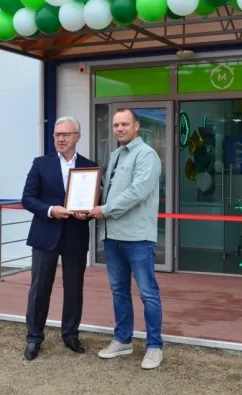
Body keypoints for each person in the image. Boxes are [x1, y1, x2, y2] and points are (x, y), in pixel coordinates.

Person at [88, 108, 164, 370]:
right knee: (119, 291)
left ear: (136, 126)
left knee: (148, 294)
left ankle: (154, 346)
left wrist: (105, 210)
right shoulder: (116, 155)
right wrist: (83, 198)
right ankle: (123, 340)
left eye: (124, 124)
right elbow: (108, 192)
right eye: (116, 125)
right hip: (112, 236)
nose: (119, 129)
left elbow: (137, 192)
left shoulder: (146, 155)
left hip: (138, 237)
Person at [21, 116, 97, 361]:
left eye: (66, 134)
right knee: (40, 288)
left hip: (75, 234)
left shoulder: (89, 166)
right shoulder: (40, 164)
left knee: (74, 289)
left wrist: (87, 213)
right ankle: (34, 338)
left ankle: (71, 335)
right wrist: (51, 210)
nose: (60, 139)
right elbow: (27, 199)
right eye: (57, 135)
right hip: (46, 234)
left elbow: (95, 202)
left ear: (77, 137)